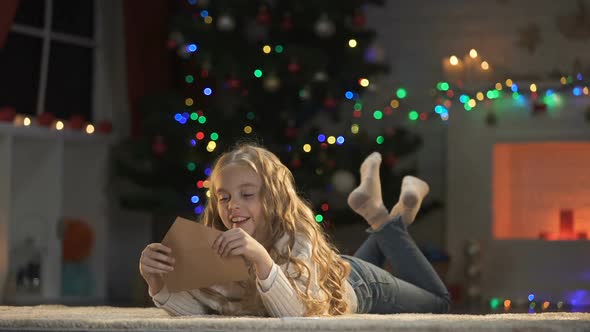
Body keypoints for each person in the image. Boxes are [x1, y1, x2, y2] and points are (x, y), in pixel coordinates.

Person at [139, 143, 450, 317]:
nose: (232, 205)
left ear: (273, 196)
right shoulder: (213, 247)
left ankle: (380, 217)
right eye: (224, 197)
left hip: (358, 284)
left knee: (438, 302)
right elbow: (200, 310)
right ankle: (388, 213)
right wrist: (158, 284)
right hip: (326, 268)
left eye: (247, 194)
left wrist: (260, 258)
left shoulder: (295, 236)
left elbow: (298, 315)